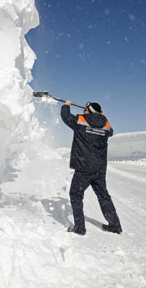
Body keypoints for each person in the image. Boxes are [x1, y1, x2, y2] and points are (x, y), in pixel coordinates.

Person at [61, 100, 122, 236]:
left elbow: (66, 117)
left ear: (89, 111)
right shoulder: (106, 124)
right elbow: (110, 132)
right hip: (99, 168)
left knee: (76, 195)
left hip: (84, 167)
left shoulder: (80, 120)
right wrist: (100, 116)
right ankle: (115, 225)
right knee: (103, 196)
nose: (84, 111)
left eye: (86, 109)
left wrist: (66, 105)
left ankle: (80, 228)